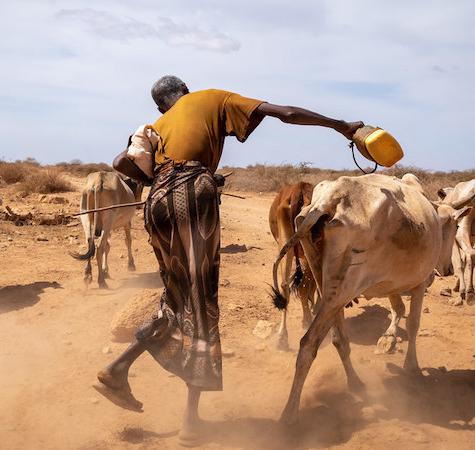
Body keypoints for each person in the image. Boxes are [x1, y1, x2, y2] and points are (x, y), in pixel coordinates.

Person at [93, 75, 363, 445]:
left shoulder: (157, 125)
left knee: (177, 298)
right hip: (194, 191)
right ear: (185, 92)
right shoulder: (213, 98)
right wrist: (340, 126)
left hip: (156, 199)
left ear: (161, 106)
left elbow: (121, 161)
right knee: (201, 306)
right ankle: (189, 422)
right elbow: (283, 112)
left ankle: (117, 369)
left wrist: (158, 178)